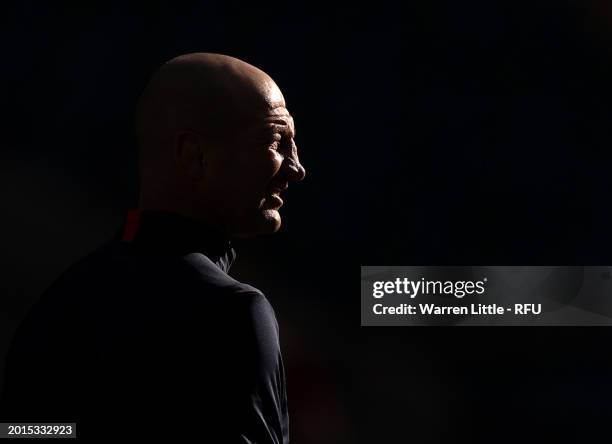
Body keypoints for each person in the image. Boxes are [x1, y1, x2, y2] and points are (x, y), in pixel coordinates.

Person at [0, 53, 306, 443]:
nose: (296, 168)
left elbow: (24, 434)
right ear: (193, 156)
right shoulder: (232, 314)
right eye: (276, 141)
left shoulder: (58, 306)